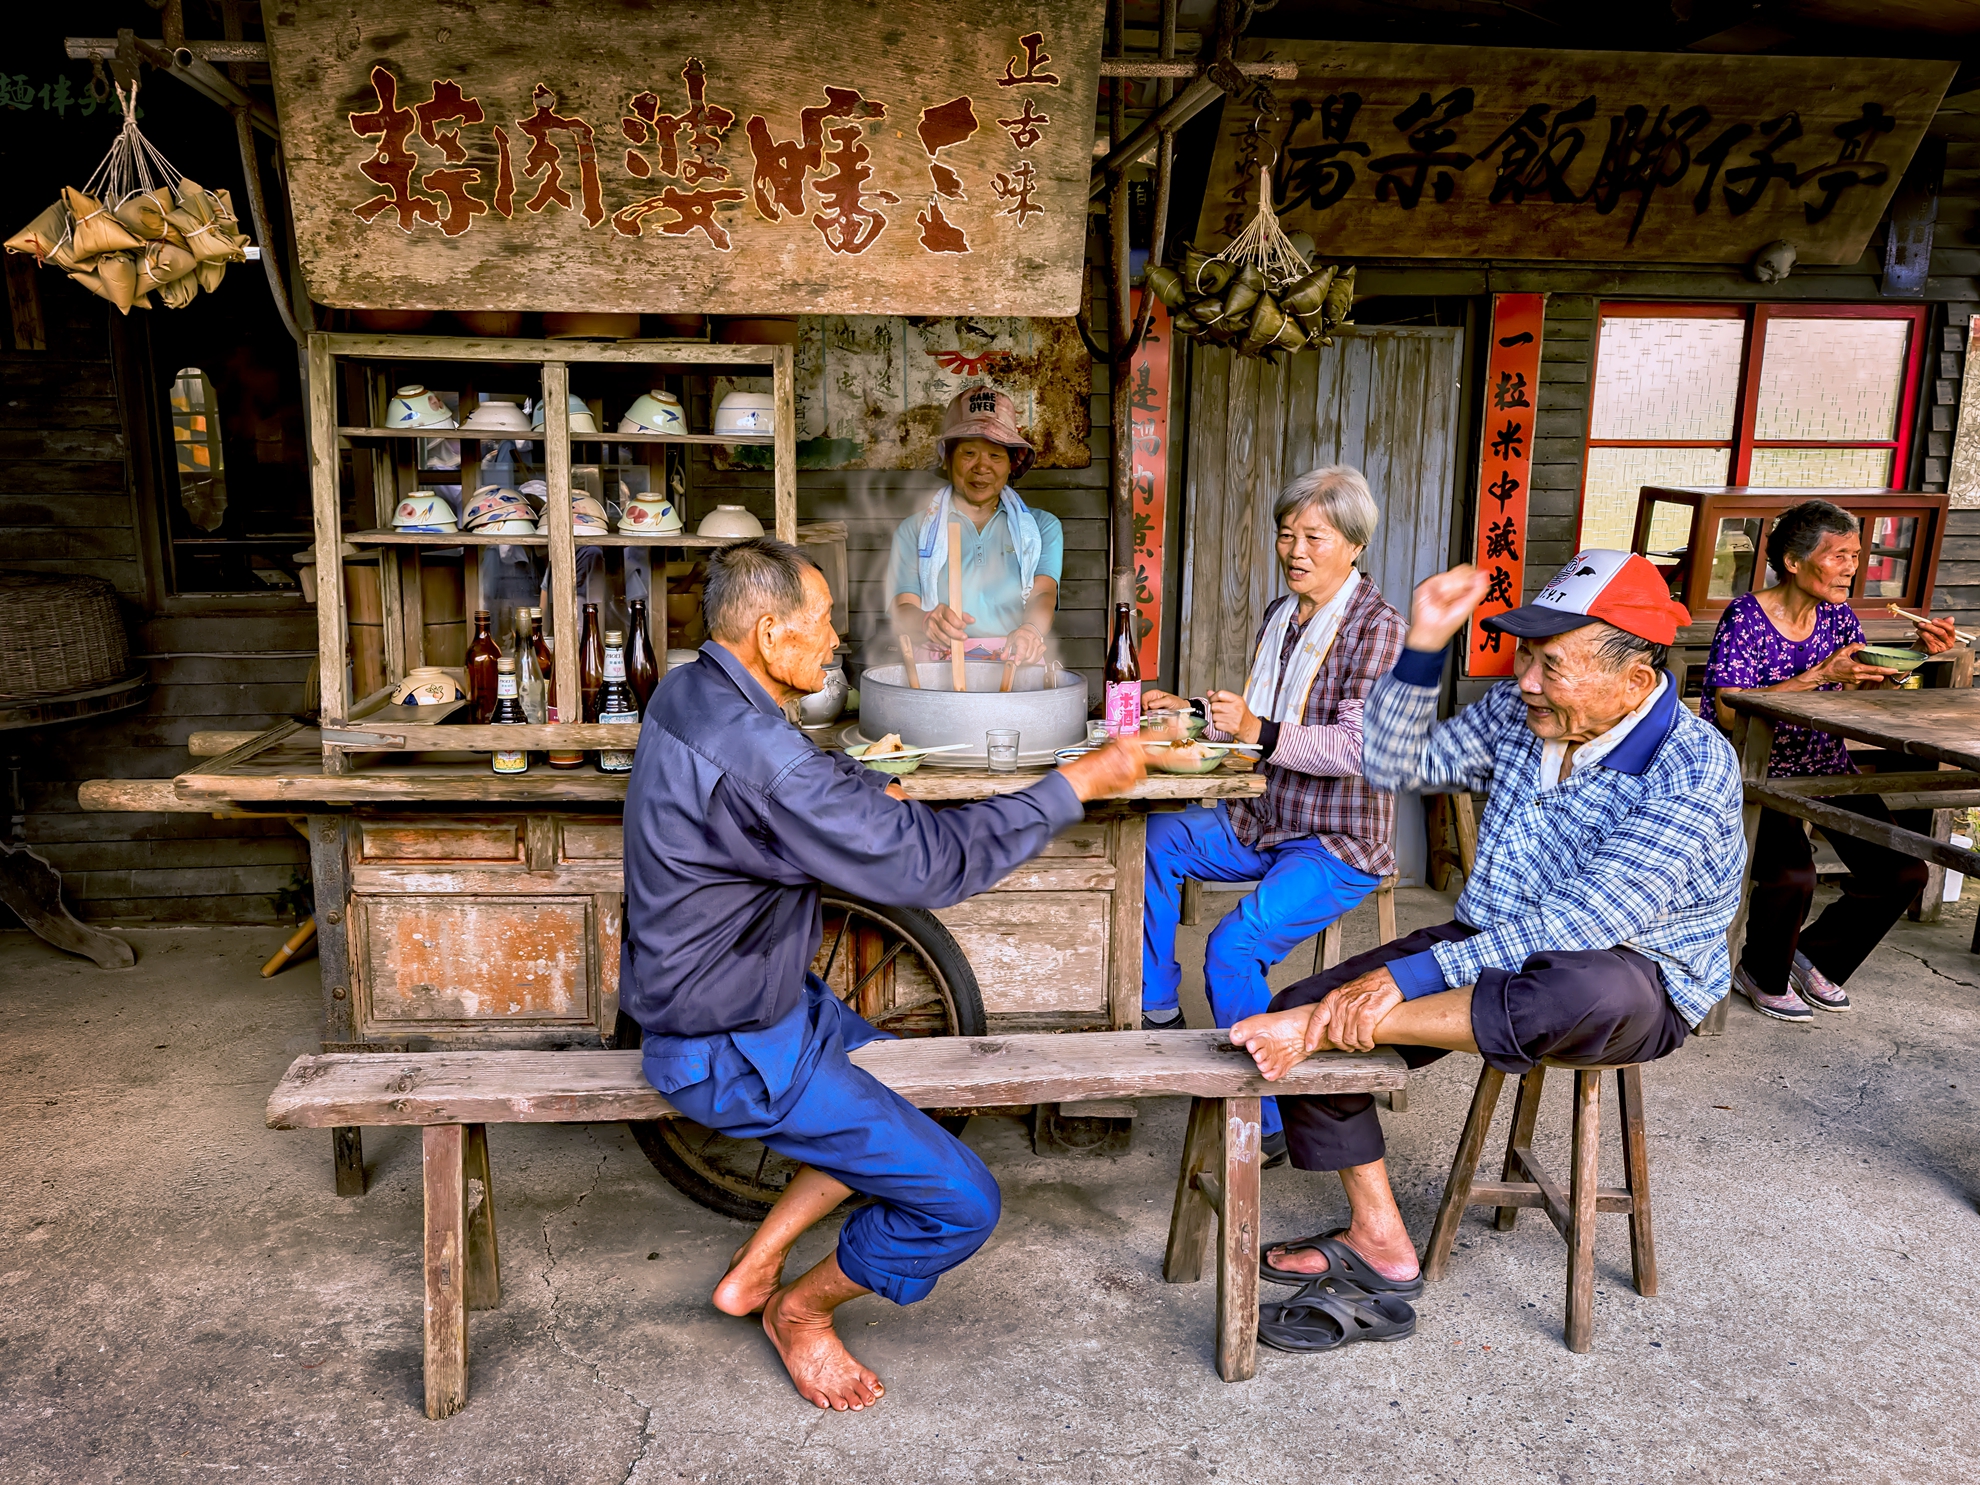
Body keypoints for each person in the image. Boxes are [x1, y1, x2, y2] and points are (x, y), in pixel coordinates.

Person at [620, 537, 1145, 1410]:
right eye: (819, 623)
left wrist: (854, 793)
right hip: (730, 1048)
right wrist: (1075, 782)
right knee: (963, 1202)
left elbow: (781, 788)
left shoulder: (690, 688)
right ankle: (802, 1312)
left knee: (906, 1093)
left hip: (753, 1002)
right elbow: (932, 866)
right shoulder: (762, 753)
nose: (835, 641)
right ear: (766, 633)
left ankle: (754, 1265)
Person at [1226, 551, 1744, 1353]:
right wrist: (1425, 642)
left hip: (1631, 970)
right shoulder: (1518, 711)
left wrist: (1398, 983)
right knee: (1297, 1009)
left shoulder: (1691, 764)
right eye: (1525, 657)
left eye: (1551, 665)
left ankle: (1351, 1020)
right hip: (1488, 938)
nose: (1527, 680)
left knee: (1576, 989)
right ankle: (1380, 1241)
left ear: (1635, 681)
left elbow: (1590, 916)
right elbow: (1395, 761)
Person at [1137, 466, 1405, 1166]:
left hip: (1336, 839)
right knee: (1154, 836)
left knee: (1231, 947)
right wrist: (1195, 713)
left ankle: (1272, 1120)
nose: (1295, 550)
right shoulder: (1282, 615)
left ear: (1352, 544)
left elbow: (1355, 745)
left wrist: (1254, 729)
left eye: (1313, 536)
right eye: (1287, 535)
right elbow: (1263, 722)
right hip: (1265, 818)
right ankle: (1156, 1003)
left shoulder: (1379, 630)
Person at [1703, 499, 1957, 1022]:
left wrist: (1920, 650)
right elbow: (1730, 712)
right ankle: (1761, 971)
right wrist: (1820, 674)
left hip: (1822, 763)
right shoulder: (1747, 616)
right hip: (1753, 770)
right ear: (1794, 562)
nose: (1852, 566)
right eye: (1839, 554)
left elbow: (1868, 678)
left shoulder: (1837, 616)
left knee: (1903, 870)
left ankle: (1812, 955)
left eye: (1856, 554)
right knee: (1793, 876)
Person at [890, 385, 1062, 667]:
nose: (982, 467)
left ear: (1011, 463)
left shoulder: (1042, 527)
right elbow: (902, 607)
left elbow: (1043, 593)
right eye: (969, 453)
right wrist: (925, 620)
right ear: (947, 459)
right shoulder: (915, 530)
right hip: (939, 668)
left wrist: (1030, 631)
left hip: (1015, 664)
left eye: (995, 456)